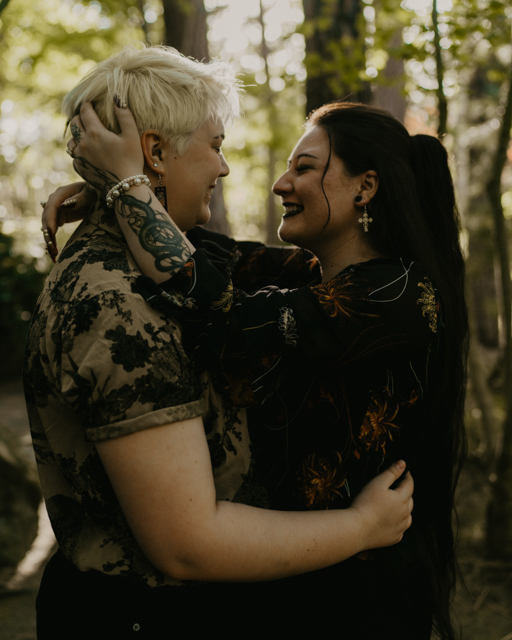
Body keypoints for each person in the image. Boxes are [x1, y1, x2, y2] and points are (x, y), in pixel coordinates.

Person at [26, 46, 414, 640]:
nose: (225, 168)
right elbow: (187, 543)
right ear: (155, 152)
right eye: (216, 145)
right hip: (145, 617)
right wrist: (361, 528)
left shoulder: (139, 271)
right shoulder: (122, 303)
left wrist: (114, 193)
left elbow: (219, 273)